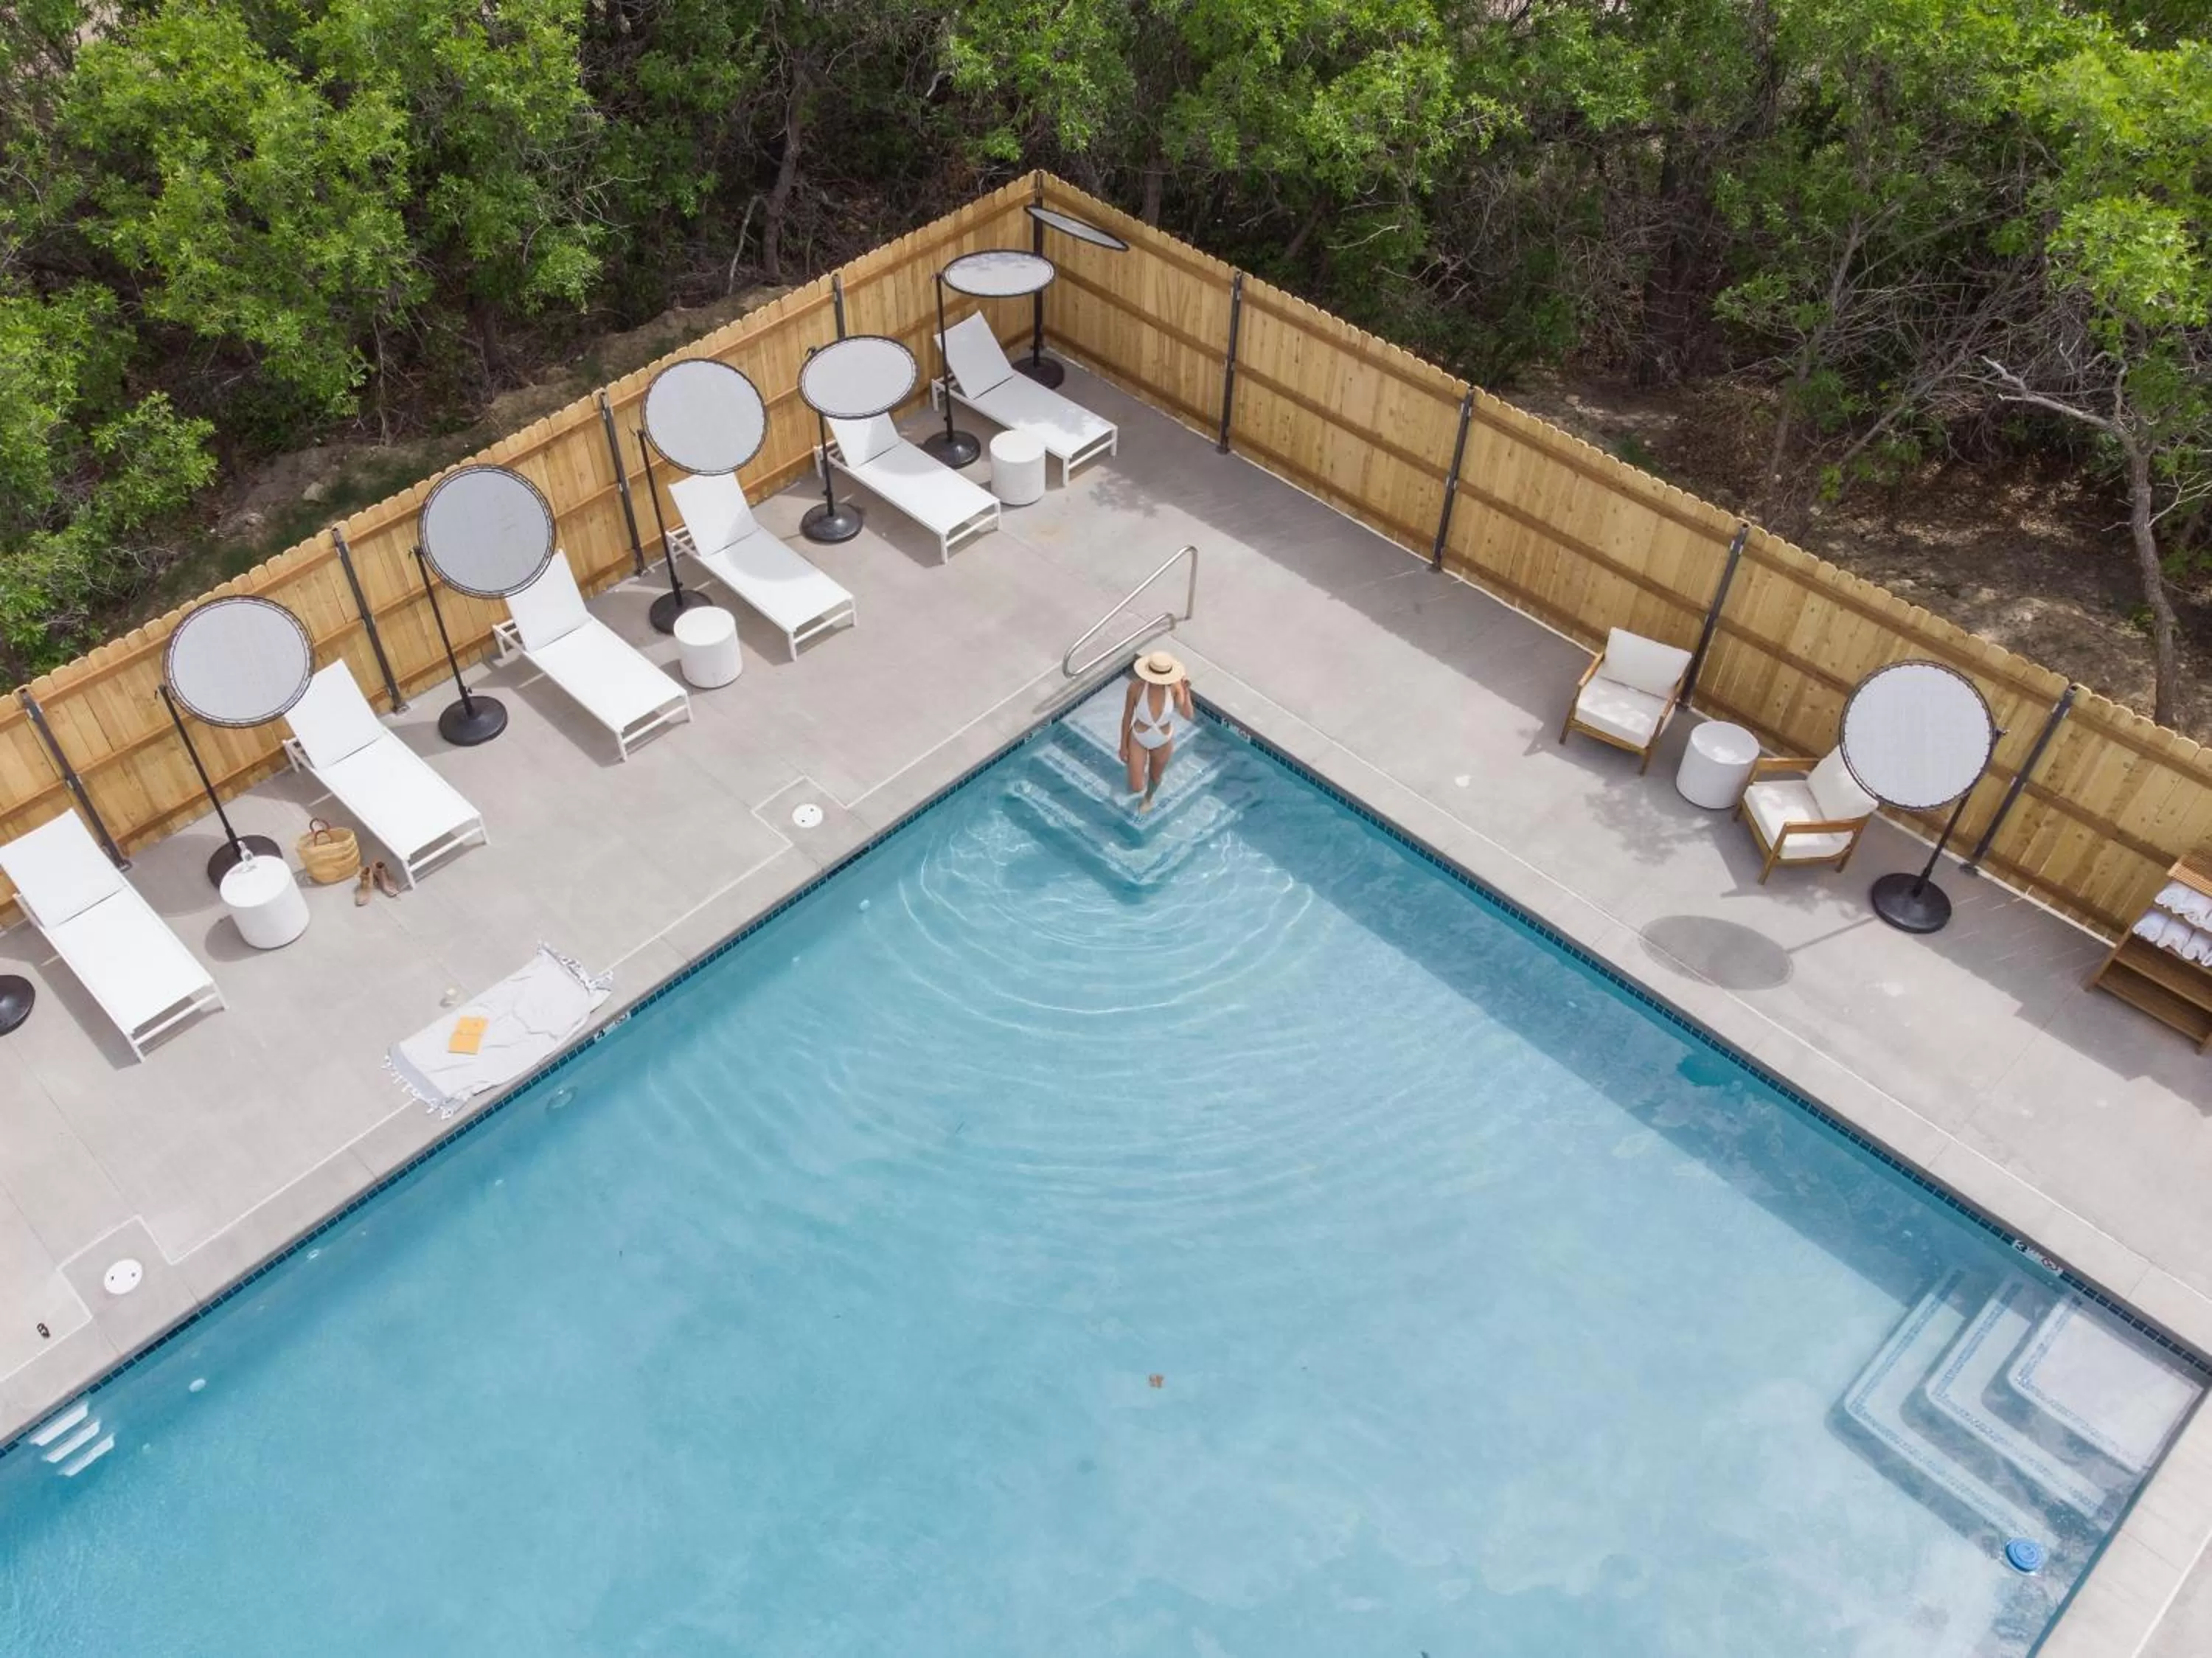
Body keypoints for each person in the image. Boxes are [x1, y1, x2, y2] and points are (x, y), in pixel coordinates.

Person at [1119, 650, 1195, 812]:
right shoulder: (1136, 687)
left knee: (1155, 777)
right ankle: (1138, 768)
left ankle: (1148, 798)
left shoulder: (1175, 688)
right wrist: (1123, 746)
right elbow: (1127, 717)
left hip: (1163, 740)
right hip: (1138, 738)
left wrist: (1186, 692)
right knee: (1136, 786)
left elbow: (1188, 715)